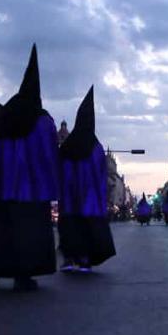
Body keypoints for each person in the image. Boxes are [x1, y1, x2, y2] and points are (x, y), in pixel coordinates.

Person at [0, 45, 59, 291]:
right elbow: (49, 157)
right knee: (28, 232)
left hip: (1, 187)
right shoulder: (44, 122)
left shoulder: (3, 118)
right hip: (31, 191)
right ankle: (23, 276)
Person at [57, 87, 116, 274]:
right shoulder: (96, 148)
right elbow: (101, 176)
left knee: (69, 226)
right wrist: (101, 198)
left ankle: (68, 258)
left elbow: (58, 169)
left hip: (68, 197)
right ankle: (84, 260)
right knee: (86, 228)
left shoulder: (67, 146)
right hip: (89, 199)